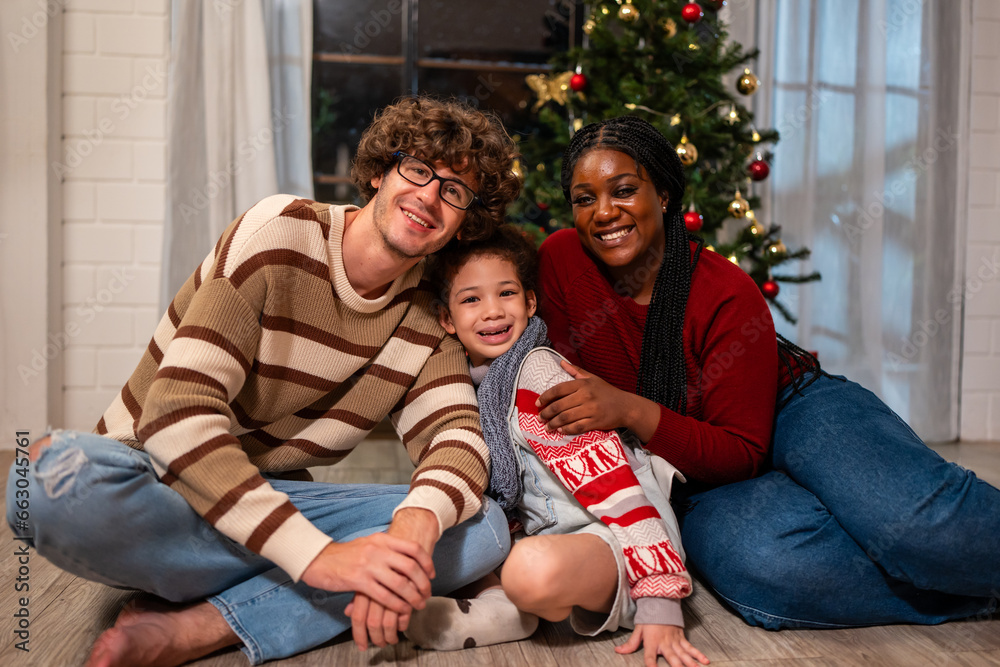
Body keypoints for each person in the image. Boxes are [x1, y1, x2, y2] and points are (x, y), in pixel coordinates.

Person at [5, 96, 523, 667]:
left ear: (461, 224)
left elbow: (454, 437)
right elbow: (175, 416)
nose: (429, 196)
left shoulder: (431, 312)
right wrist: (325, 562)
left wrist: (414, 529)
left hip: (266, 499)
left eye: (454, 192)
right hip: (160, 485)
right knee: (44, 482)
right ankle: (274, 579)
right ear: (378, 172)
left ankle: (206, 623)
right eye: (419, 170)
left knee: (483, 528)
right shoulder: (280, 233)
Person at [534, 114, 1000, 630]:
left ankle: (935, 554)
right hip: (682, 466)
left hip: (788, 408)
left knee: (918, 528)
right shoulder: (559, 262)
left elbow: (741, 450)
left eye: (623, 190)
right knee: (769, 566)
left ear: (663, 194)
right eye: (584, 198)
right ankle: (972, 592)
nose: (603, 212)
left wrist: (626, 406)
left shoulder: (725, 291)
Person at [403, 226, 709, 667]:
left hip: (620, 538)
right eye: (471, 299)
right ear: (447, 319)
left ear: (529, 303)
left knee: (528, 569)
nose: (492, 312)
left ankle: (521, 593)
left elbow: (615, 487)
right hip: (555, 535)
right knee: (433, 520)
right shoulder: (468, 389)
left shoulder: (538, 375)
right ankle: (501, 609)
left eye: (505, 294)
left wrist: (659, 598)